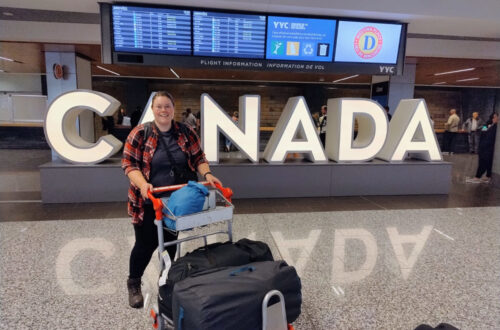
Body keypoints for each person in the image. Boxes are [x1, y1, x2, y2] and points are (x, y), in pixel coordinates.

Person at [122, 91, 222, 308]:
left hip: (176, 203)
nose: (163, 110)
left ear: (173, 108)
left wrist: (207, 174)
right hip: (149, 202)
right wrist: (143, 184)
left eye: (167, 106)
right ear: (153, 109)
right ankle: (134, 282)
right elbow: (129, 164)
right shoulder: (140, 133)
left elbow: (198, 157)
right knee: (145, 245)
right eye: (159, 107)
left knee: (171, 244)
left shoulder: (185, 132)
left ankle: (167, 281)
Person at [466, 113, 498, 184]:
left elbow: (489, 135)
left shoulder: (496, 127)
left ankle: (479, 177)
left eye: (496, 117)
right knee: (483, 161)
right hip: (483, 146)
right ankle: (485, 176)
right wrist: (486, 127)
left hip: (488, 147)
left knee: (485, 161)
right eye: (493, 117)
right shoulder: (488, 124)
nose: (494, 119)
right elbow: (483, 131)